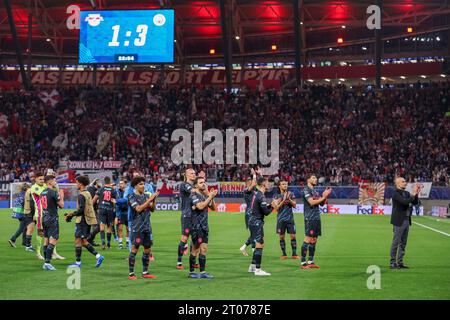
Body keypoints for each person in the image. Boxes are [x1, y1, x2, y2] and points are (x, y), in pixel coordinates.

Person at [64, 175, 105, 268]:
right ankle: (98, 256)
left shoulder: (81, 195)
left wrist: (71, 214)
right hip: (87, 220)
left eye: (77, 182)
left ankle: (78, 263)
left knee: (78, 241)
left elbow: (81, 210)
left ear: (81, 183)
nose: (76, 184)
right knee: (83, 242)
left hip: (82, 221)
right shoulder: (87, 193)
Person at [127, 176, 159, 280]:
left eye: (143, 184)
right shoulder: (131, 196)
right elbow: (139, 208)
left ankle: (145, 272)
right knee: (134, 249)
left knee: (147, 250)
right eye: (140, 184)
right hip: (137, 227)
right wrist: (150, 199)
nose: (143, 186)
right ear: (135, 186)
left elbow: (152, 209)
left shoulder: (146, 196)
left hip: (146, 227)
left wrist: (154, 200)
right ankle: (131, 273)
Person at [247, 176, 280, 276]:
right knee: (259, 244)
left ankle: (252, 266)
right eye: (267, 183)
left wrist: (270, 205)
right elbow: (266, 212)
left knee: (258, 243)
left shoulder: (257, 194)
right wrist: (273, 206)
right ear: (263, 184)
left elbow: (263, 208)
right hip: (257, 222)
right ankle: (258, 269)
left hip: (253, 221)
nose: (269, 184)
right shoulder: (261, 196)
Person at [188, 176, 218, 279]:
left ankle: (202, 272)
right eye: (201, 182)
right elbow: (200, 206)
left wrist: (211, 197)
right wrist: (210, 196)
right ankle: (191, 272)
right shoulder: (193, 195)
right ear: (196, 185)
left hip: (204, 226)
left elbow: (214, 208)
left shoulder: (204, 196)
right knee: (195, 249)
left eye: (204, 182)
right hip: (196, 226)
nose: (203, 184)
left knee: (204, 248)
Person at [301, 174, 332, 269]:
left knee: (314, 239)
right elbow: (311, 202)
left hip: (316, 217)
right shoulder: (306, 190)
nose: (316, 179)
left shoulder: (315, 191)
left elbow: (322, 204)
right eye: (313, 178)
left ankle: (311, 261)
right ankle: (303, 263)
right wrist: (323, 197)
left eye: (316, 178)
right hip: (309, 217)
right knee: (308, 239)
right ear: (308, 179)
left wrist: (325, 196)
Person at [389, 177, 420, 269]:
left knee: (403, 243)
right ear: (398, 183)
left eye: (405, 181)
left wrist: (416, 193)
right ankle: (392, 262)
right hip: (399, 220)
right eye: (403, 181)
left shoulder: (406, 193)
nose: (405, 183)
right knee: (396, 241)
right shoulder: (395, 193)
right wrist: (413, 194)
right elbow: (405, 202)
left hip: (407, 220)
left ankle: (400, 262)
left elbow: (415, 202)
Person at [41, 175, 64, 271]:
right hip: (52, 218)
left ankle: (46, 262)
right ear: (49, 182)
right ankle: (47, 263)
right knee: (54, 239)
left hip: (45, 217)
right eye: (54, 180)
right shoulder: (53, 192)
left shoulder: (43, 192)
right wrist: (62, 196)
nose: (55, 182)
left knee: (46, 240)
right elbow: (61, 205)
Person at [273, 179, 299, 260]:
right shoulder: (276, 196)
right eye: (283, 184)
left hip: (290, 219)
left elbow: (295, 205)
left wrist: (289, 199)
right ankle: (284, 254)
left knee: (293, 236)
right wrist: (283, 200)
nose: (285, 185)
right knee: (281, 237)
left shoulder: (291, 194)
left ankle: (294, 254)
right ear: (279, 186)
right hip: (281, 220)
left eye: (286, 184)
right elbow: (276, 208)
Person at [176, 168, 196, 270]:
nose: (194, 175)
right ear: (187, 175)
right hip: (187, 215)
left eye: (194, 173)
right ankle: (179, 262)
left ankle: (193, 261)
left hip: (196, 215)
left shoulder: (195, 185)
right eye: (191, 173)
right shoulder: (184, 185)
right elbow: (192, 191)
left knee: (195, 239)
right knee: (184, 238)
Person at [92, 177, 116, 250]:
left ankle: (103, 243)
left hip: (102, 209)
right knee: (109, 227)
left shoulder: (100, 189)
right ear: (110, 181)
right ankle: (108, 244)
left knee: (102, 227)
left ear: (104, 182)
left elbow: (93, 200)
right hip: (110, 210)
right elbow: (115, 200)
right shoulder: (113, 190)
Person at [239, 168, 258, 256]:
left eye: (251, 180)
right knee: (254, 233)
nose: (251, 182)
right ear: (247, 183)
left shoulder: (254, 190)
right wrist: (254, 174)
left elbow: (260, 184)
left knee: (255, 233)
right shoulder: (246, 190)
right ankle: (254, 251)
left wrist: (259, 174)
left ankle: (244, 247)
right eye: (249, 181)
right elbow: (254, 183)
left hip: (255, 213)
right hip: (249, 214)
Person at [9, 183, 30, 248]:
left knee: (25, 227)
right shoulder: (26, 195)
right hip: (22, 213)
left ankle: (24, 242)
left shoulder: (19, 194)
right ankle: (13, 239)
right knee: (22, 228)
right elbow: (25, 204)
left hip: (17, 212)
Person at [116, 179, 130, 249]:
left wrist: (117, 201)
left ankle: (127, 243)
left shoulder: (128, 192)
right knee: (120, 228)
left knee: (128, 229)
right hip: (120, 212)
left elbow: (124, 201)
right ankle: (120, 244)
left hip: (128, 212)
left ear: (125, 184)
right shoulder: (117, 192)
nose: (120, 185)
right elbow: (117, 203)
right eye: (119, 184)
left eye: (121, 183)